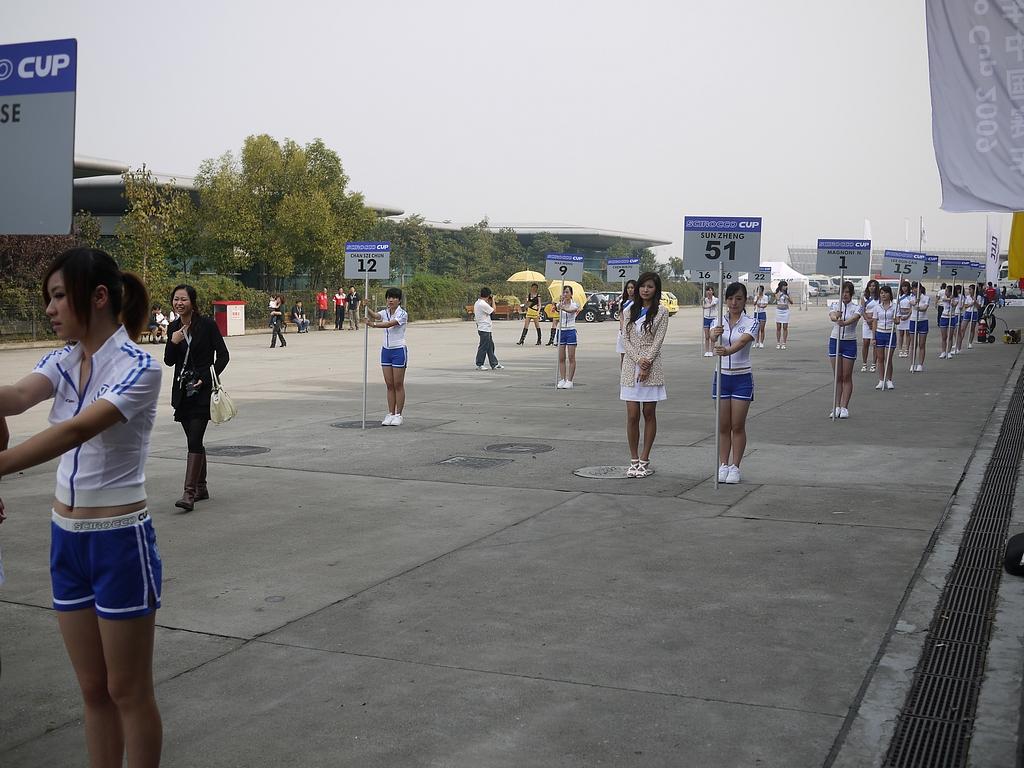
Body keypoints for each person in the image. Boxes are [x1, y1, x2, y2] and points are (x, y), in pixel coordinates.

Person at [0, 247, 163, 766]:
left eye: (57, 296)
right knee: (93, 690)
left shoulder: (140, 367)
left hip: (119, 541)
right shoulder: (64, 359)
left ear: (97, 297)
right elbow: (16, 397)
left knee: (127, 691)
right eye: (47, 298)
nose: (49, 309)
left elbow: (74, 431)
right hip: (64, 540)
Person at [165, 283, 230, 511]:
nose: (179, 303)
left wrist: (207, 377)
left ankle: (189, 493)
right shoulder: (173, 327)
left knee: (194, 440)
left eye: (183, 299)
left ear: (192, 302)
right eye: (176, 299)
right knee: (195, 441)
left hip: (202, 391)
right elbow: (169, 361)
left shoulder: (207, 325)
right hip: (183, 392)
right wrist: (173, 342)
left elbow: (223, 356)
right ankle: (201, 487)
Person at [621, 272, 669, 478]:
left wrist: (647, 362)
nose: (645, 290)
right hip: (631, 366)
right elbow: (625, 339)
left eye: (650, 286)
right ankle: (633, 459)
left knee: (649, 413)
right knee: (632, 415)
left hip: (652, 366)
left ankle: (644, 459)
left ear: (656, 289)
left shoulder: (662, 312)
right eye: (643, 286)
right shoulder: (629, 310)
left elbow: (659, 340)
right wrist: (638, 360)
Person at [710, 281, 758, 483]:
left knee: (737, 425)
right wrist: (713, 335)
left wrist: (727, 351)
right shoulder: (718, 320)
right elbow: (711, 336)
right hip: (721, 377)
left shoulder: (751, 322)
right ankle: (723, 464)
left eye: (738, 298)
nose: (734, 303)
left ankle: (735, 466)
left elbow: (743, 341)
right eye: (730, 298)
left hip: (742, 378)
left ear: (745, 300)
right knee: (723, 425)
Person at [366, 287, 408, 425]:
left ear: (399, 300)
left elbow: (390, 324)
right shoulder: (385, 312)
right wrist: (366, 307)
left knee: (398, 384)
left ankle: (398, 414)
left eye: (394, 298)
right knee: (389, 384)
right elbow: (376, 315)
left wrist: (373, 325)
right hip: (386, 351)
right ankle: (390, 413)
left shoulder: (402, 314)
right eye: (389, 297)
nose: (391, 300)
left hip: (398, 350)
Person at [828, 280, 861, 419]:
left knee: (846, 376)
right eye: (842, 292)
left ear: (851, 293)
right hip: (835, 341)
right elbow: (832, 316)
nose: (845, 295)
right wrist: (836, 316)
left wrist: (844, 323)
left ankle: (844, 407)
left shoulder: (857, 307)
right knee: (838, 376)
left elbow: (855, 318)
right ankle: (836, 406)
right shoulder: (835, 305)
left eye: (847, 292)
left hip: (849, 342)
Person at [872, 285, 901, 390]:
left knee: (888, 358)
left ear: (890, 294)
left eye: (885, 293)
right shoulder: (877, 307)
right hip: (879, 333)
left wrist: (895, 320)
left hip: (890, 333)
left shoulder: (895, 306)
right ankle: (881, 380)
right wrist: (873, 337)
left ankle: (889, 380)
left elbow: (898, 321)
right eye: (881, 293)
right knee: (880, 358)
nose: (883, 295)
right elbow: (874, 322)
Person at [473, 287, 504, 370]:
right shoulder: (482, 304)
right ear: (488, 295)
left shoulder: (478, 302)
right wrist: (493, 300)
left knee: (490, 346)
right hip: (484, 328)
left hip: (485, 328)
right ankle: (480, 364)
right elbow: (494, 311)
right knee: (483, 346)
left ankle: (494, 363)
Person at [555, 285, 579, 389]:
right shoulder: (559, 304)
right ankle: (562, 379)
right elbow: (557, 308)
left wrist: (563, 307)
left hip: (571, 330)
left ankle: (570, 380)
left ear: (571, 294)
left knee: (571, 357)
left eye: (567, 292)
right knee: (561, 357)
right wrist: (560, 304)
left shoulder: (575, 304)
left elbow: (572, 310)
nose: (565, 294)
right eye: (564, 292)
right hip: (561, 331)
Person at [909, 282, 930, 373]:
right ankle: (912, 364)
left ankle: (920, 364)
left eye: (917, 288)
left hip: (923, 321)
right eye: (913, 288)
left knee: (922, 344)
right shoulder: (911, 297)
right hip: (913, 321)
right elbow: (912, 303)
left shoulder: (926, 298)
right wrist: (916, 302)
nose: (915, 290)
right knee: (913, 344)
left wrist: (917, 307)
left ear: (920, 289)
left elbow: (924, 308)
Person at [859, 280, 880, 372]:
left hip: (876, 321)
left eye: (874, 286)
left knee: (875, 343)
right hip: (866, 321)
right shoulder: (864, 297)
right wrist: (867, 320)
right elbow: (862, 310)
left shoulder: (879, 298)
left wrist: (873, 320)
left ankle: (874, 364)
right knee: (865, 342)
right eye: (870, 286)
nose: (872, 287)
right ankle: (864, 363)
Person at [616, 279, 637, 368]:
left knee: (633, 357)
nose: (630, 290)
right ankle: (623, 375)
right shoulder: (623, 302)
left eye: (632, 287)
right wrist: (622, 330)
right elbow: (621, 317)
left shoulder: (638, 303)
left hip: (634, 332)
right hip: (623, 332)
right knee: (623, 356)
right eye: (628, 288)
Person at [897, 281, 914, 358]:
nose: (904, 288)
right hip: (901, 316)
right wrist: (900, 315)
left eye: (905, 286)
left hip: (908, 316)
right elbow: (897, 307)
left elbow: (912, 307)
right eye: (903, 286)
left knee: (908, 333)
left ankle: (906, 350)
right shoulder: (899, 296)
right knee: (901, 334)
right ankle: (900, 350)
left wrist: (907, 315)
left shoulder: (911, 296)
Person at [774, 280, 792, 349]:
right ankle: (778, 343)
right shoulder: (777, 292)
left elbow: (792, 302)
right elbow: (777, 298)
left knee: (785, 327)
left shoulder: (788, 293)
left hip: (785, 311)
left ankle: (784, 343)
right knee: (778, 327)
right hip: (779, 310)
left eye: (786, 286)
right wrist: (781, 294)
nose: (785, 287)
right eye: (784, 286)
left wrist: (788, 297)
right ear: (781, 286)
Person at [961, 283, 980, 350]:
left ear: (974, 290)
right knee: (962, 328)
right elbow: (965, 306)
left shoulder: (978, 297)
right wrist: (971, 304)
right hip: (967, 312)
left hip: (974, 312)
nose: (969, 291)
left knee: (972, 329)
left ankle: (970, 343)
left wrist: (975, 301)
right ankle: (959, 342)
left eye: (970, 289)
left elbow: (979, 307)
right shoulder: (967, 297)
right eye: (968, 289)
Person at [702, 286, 718, 357]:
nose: (708, 292)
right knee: (706, 336)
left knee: (712, 336)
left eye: (710, 290)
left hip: (713, 318)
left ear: (713, 292)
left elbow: (712, 305)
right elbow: (702, 305)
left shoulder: (716, 299)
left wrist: (705, 307)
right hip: (706, 318)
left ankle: (711, 351)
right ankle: (706, 351)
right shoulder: (705, 299)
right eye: (707, 290)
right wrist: (702, 301)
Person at [937, 284, 953, 359]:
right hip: (944, 317)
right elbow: (944, 299)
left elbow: (955, 304)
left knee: (950, 336)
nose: (945, 292)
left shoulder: (955, 298)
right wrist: (950, 299)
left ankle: (949, 352)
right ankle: (943, 351)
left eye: (947, 291)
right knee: (944, 336)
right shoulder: (944, 297)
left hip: (952, 317)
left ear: (950, 292)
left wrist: (952, 299)